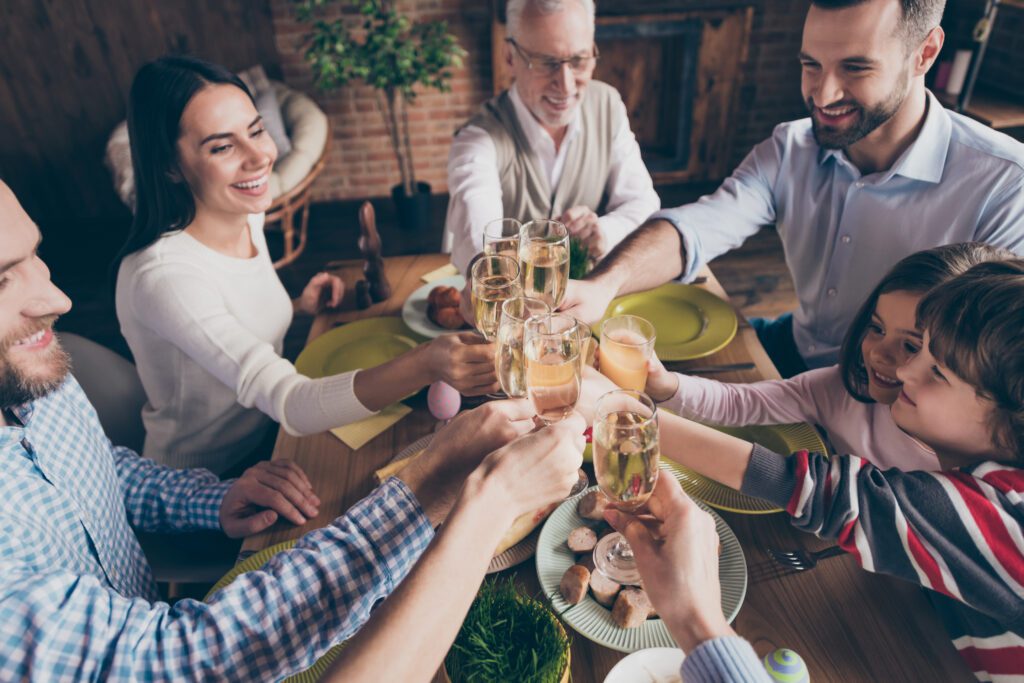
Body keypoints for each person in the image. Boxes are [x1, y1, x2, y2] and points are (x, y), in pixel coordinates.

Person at [0, 177, 585, 680]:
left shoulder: (27, 381)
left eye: (35, 256)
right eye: (3, 279)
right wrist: (449, 490)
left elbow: (96, 470)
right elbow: (186, 658)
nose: (59, 298)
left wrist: (209, 498)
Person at [584, 259, 1024, 679]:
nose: (905, 370)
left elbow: (820, 490)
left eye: (937, 371)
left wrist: (630, 416)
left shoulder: (1001, 516)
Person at [561, 0, 1024, 378]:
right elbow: (696, 228)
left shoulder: (1005, 185)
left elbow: (980, 381)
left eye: (856, 69)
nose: (823, 96)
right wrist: (605, 285)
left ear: (925, 53)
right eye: (811, 65)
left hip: (896, 401)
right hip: (795, 348)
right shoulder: (790, 147)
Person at [114, 56, 499, 475]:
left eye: (256, 130)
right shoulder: (163, 277)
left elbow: (220, 324)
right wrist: (427, 362)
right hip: (205, 481)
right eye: (222, 146)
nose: (259, 157)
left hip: (270, 439)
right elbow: (291, 403)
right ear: (170, 165)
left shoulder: (245, 214)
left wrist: (298, 305)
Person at [642, 243, 1012, 471]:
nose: (881, 354)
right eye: (877, 327)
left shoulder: (984, 469)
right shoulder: (842, 389)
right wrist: (664, 384)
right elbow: (743, 401)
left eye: (913, 346)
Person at [442, 0, 659, 274]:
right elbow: (482, 243)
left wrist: (604, 231)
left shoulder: (609, 105)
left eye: (579, 61)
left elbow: (644, 203)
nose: (566, 86)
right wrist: (492, 268)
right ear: (510, 57)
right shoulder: (477, 140)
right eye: (546, 63)